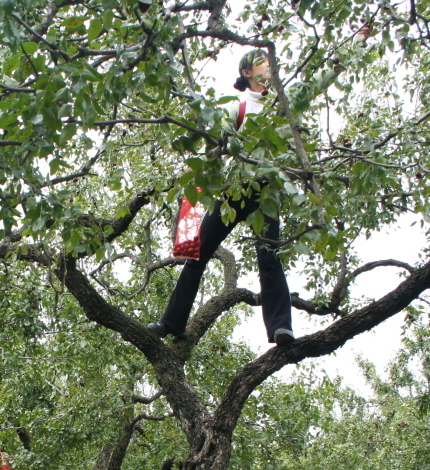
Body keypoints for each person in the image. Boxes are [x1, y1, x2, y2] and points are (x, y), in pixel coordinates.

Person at [148, 35, 372, 344]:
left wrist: (356, 42)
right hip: (234, 192)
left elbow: (320, 78)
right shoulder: (236, 107)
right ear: (248, 73)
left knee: (269, 258)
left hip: (267, 194)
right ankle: (173, 322)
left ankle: (281, 327)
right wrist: (198, 165)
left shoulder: (285, 104)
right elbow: (218, 143)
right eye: (263, 63)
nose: (271, 66)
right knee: (196, 256)